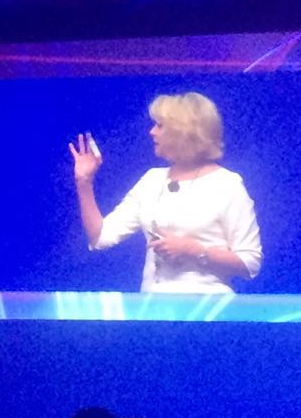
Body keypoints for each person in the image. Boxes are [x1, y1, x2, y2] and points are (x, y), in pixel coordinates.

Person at [70, 91, 262, 293]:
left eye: (160, 126)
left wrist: (195, 250)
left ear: (183, 131)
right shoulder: (152, 181)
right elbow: (100, 236)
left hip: (208, 306)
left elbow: (250, 262)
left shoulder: (226, 185)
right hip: (153, 306)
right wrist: (84, 181)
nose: (151, 132)